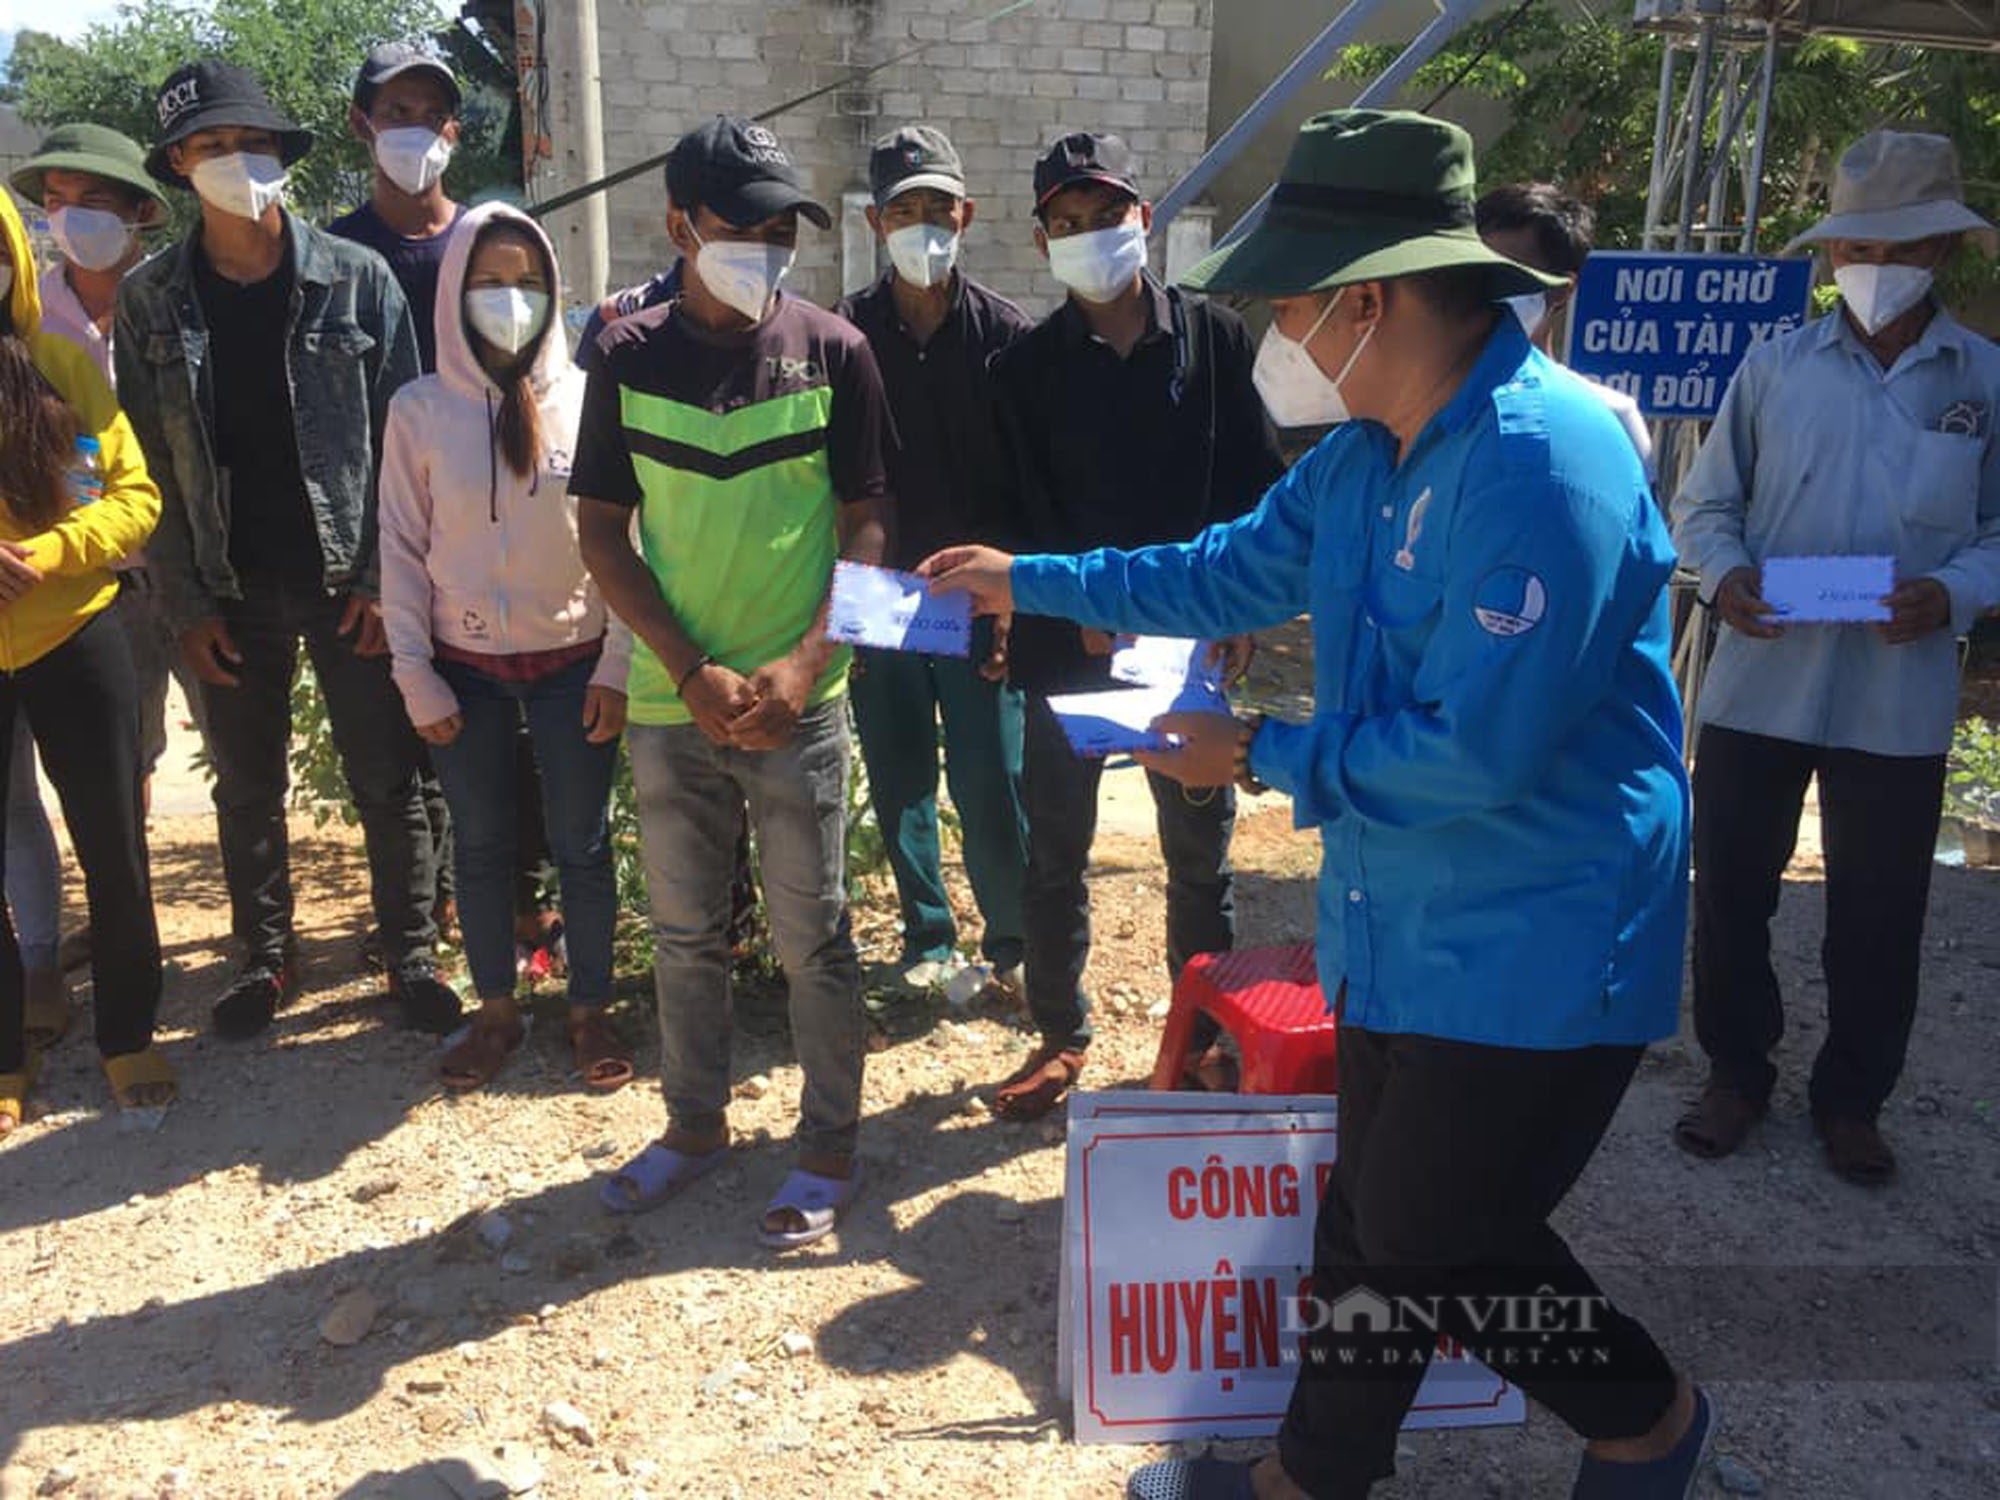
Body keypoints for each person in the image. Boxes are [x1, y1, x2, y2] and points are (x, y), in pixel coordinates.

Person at [925, 108, 1708, 1500]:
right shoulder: (1363, 459)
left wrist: (1261, 754)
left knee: (1441, 1235)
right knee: (1382, 1219)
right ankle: (1313, 1474)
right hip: (1401, 917)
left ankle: (1646, 1418)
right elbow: (1217, 571)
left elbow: (1476, 755)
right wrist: (1025, 577)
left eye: (1292, 297)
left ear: (1371, 299)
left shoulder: (1547, 463)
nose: (1279, 328)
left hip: (1537, 932)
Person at [573, 116, 892, 1248]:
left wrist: (804, 662)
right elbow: (604, 534)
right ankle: (693, 1126)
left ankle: (826, 1145)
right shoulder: (623, 357)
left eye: (777, 231)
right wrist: (684, 667)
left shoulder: (832, 351)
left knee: (816, 936)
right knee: (683, 934)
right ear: (678, 229)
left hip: (799, 703)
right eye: (738, 229)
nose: (762, 248)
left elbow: (867, 520)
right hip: (673, 704)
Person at [1670, 129, 2000, 1186]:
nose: (1862, 267)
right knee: (1727, 888)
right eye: (1845, 248)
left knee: (1878, 908)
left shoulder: (1984, 381)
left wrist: (1952, 591)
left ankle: (1851, 1100)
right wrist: (1723, 576)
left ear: (1940, 252)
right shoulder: (1772, 369)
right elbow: (1703, 504)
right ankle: (1734, 1071)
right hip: (1758, 680)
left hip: (1894, 697)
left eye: (1889, 247)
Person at [116, 59, 457, 1039]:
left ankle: (411, 956)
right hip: (227, 586)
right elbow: (148, 472)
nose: (238, 162)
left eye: (254, 144)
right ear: (181, 163)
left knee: (387, 775)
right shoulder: (152, 303)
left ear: (284, 155)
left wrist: (386, 579)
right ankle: (264, 962)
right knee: (248, 783)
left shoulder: (358, 280)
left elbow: (409, 441)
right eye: (216, 147)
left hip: (346, 576)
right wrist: (184, 606)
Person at [978, 131, 1284, 1118]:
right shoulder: (1023, 369)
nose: (1088, 236)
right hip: (1071, 648)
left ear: (1140, 219)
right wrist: (1072, 613)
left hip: (1184, 644)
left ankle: (1204, 1037)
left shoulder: (1211, 341)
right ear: (1041, 242)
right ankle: (1059, 1037)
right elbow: (1014, 515)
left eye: (1103, 216)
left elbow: (1251, 490)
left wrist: (1237, 609)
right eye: (1065, 224)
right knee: (1055, 850)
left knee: (1197, 849)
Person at [379, 203, 633, 1093]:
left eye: (528, 282)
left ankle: (589, 1006)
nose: (510, 298)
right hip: (464, 670)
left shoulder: (590, 399)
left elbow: (625, 541)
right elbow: (401, 551)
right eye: (490, 281)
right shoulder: (419, 411)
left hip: (575, 662)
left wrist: (617, 664)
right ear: (454, 291)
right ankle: (496, 1012)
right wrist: (415, 674)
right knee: (480, 846)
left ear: (555, 290)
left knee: (583, 843)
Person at [833, 126, 1030, 997]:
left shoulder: (1005, 338)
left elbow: (1027, 485)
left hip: (975, 594)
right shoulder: (843, 335)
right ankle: (928, 940)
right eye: (904, 210)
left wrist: (1013, 600)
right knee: (901, 771)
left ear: (967, 215)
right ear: (876, 222)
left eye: (938, 209)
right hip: (880, 594)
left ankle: (1016, 942)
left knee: (992, 778)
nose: (923, 227)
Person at [0, 188, 168, 1133]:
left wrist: (51, 554)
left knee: (114, 842)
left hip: (76, 630)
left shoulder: (63, 369)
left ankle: (128, 1031)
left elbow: (132, 495)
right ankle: (5, 1052)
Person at [328, 41, 466, 952]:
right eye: (395, 112)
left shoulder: (489, 244)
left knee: (482, 731)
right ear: (362, 125)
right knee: (394, 737)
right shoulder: (334, 256)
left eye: (429, 113)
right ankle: (416, 917)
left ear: (452, 132)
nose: (412, 129)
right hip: (382, 537)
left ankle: (479, 897)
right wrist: (372, 566)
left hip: (479, 532)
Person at [1475, 181, 1654, 478]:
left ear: (1562, 291)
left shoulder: (1606, 419)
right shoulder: (1415, 412)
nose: (1492, 290)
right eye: (1480, 272)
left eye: (1513, 274)